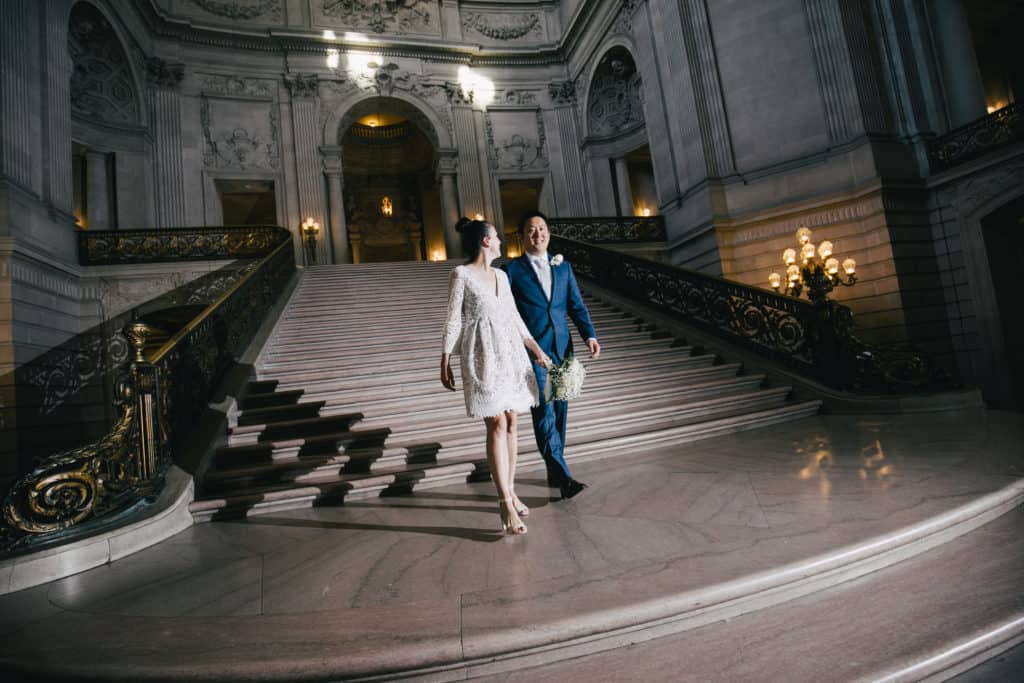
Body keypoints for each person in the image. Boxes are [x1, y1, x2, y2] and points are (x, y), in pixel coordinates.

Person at [440, 217, 552, 535]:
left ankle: (511, 490)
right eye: (497, 238)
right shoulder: (460, 274)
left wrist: (536, 349)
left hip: (509, 354)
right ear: (485, 241)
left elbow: (514, 317)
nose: (502, 241)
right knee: (497, 422)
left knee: (514, 420)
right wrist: (445, 357)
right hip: (482, 354)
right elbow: (453, 319)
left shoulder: (502, 276)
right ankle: (503, 501)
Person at [503, 211, 601, 500]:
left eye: (542, 229)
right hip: (534, 353)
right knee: (544, 412)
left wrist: (590, 335)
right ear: (521, 236)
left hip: (563, 349)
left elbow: (576, 305)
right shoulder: (513, 270)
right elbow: (508, 313)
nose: (539, 234)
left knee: (560, 411)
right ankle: (563, 476)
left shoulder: (563, 267)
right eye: (531, 230)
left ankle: (553, 468)